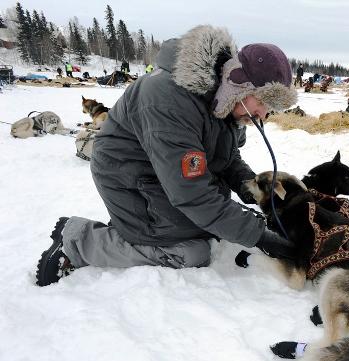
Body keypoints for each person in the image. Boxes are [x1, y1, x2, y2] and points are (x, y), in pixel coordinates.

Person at [35, 25, 298, 286]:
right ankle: (78, 241)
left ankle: (142, 226)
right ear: (239, 83)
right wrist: (260, 236)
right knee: (191, 252)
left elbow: (226, 156)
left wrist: (247, 185)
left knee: (212, 225)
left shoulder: (224, 101)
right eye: (262, 102)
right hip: (129, 177)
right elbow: (192, 194)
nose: (263, 115)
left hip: (165, 175)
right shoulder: (168, 99)